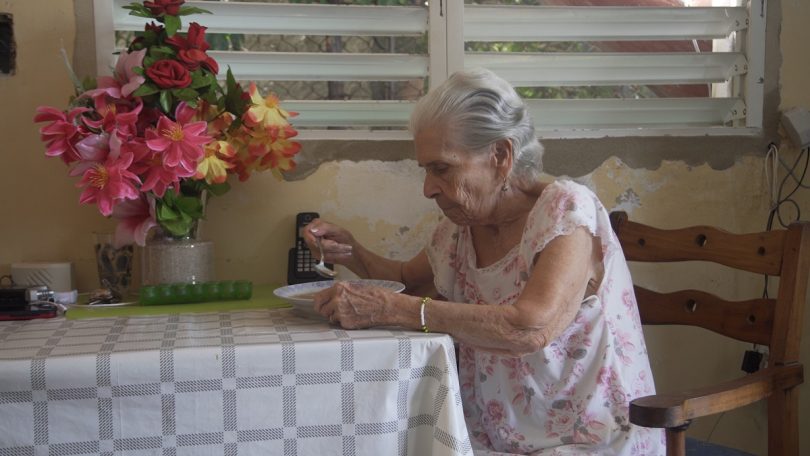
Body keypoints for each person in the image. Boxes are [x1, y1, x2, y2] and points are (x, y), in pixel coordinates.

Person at [304, 68, 665, 455]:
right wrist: (352, 252)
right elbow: (406, 285)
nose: (428, 189)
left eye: (441, 168)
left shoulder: (566, 212)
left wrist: (394, 309)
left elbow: (529, 327)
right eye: (426, 170)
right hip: (490, 440)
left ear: (501, 155)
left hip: (588, 442)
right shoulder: (459, 228)